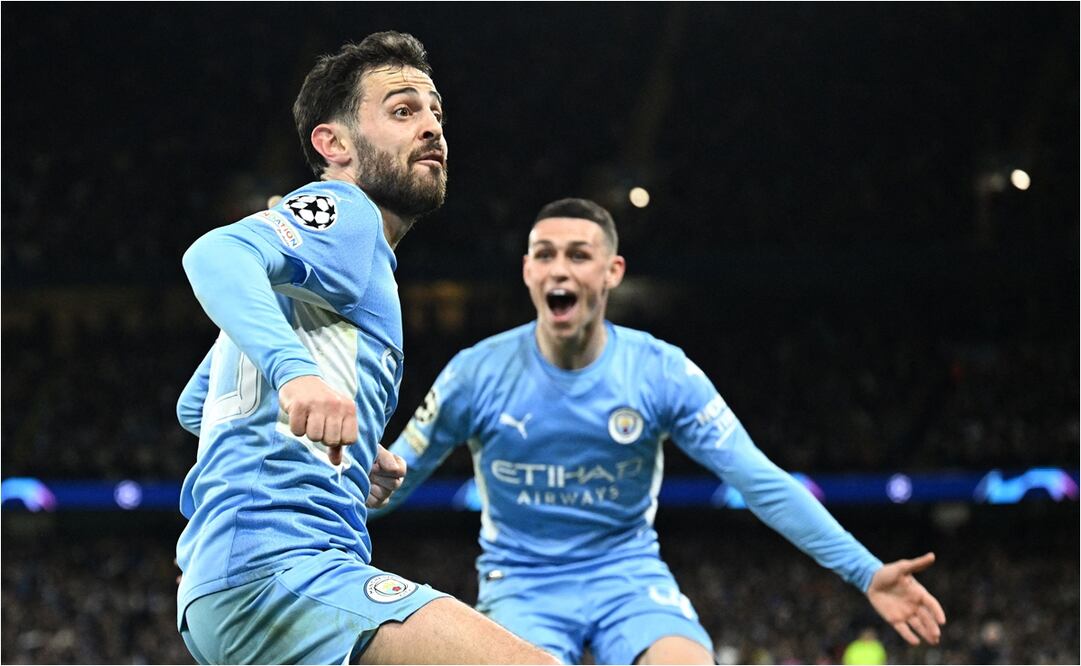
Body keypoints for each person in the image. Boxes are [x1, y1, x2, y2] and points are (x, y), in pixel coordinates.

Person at [371, 198, 948, 664]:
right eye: (545, 255)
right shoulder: (476, 374)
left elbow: (759, 481)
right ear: (528, 271)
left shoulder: (660, 371)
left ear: (612, 272)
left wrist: (866, 570)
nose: (560, 269)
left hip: (628, 577)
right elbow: (388, 486)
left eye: (579, 255)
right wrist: (310, 511)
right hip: (522, 584)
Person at [174, 31, 556, 665]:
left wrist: (341, 435)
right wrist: (297, 375)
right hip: (280, 572)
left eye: (436, 112)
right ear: (334, 144)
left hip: (239, 585)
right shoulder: (345, 212)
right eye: (404, 111)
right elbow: (214, 253)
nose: (431, 127)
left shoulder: (321, 278)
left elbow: (199, 406)